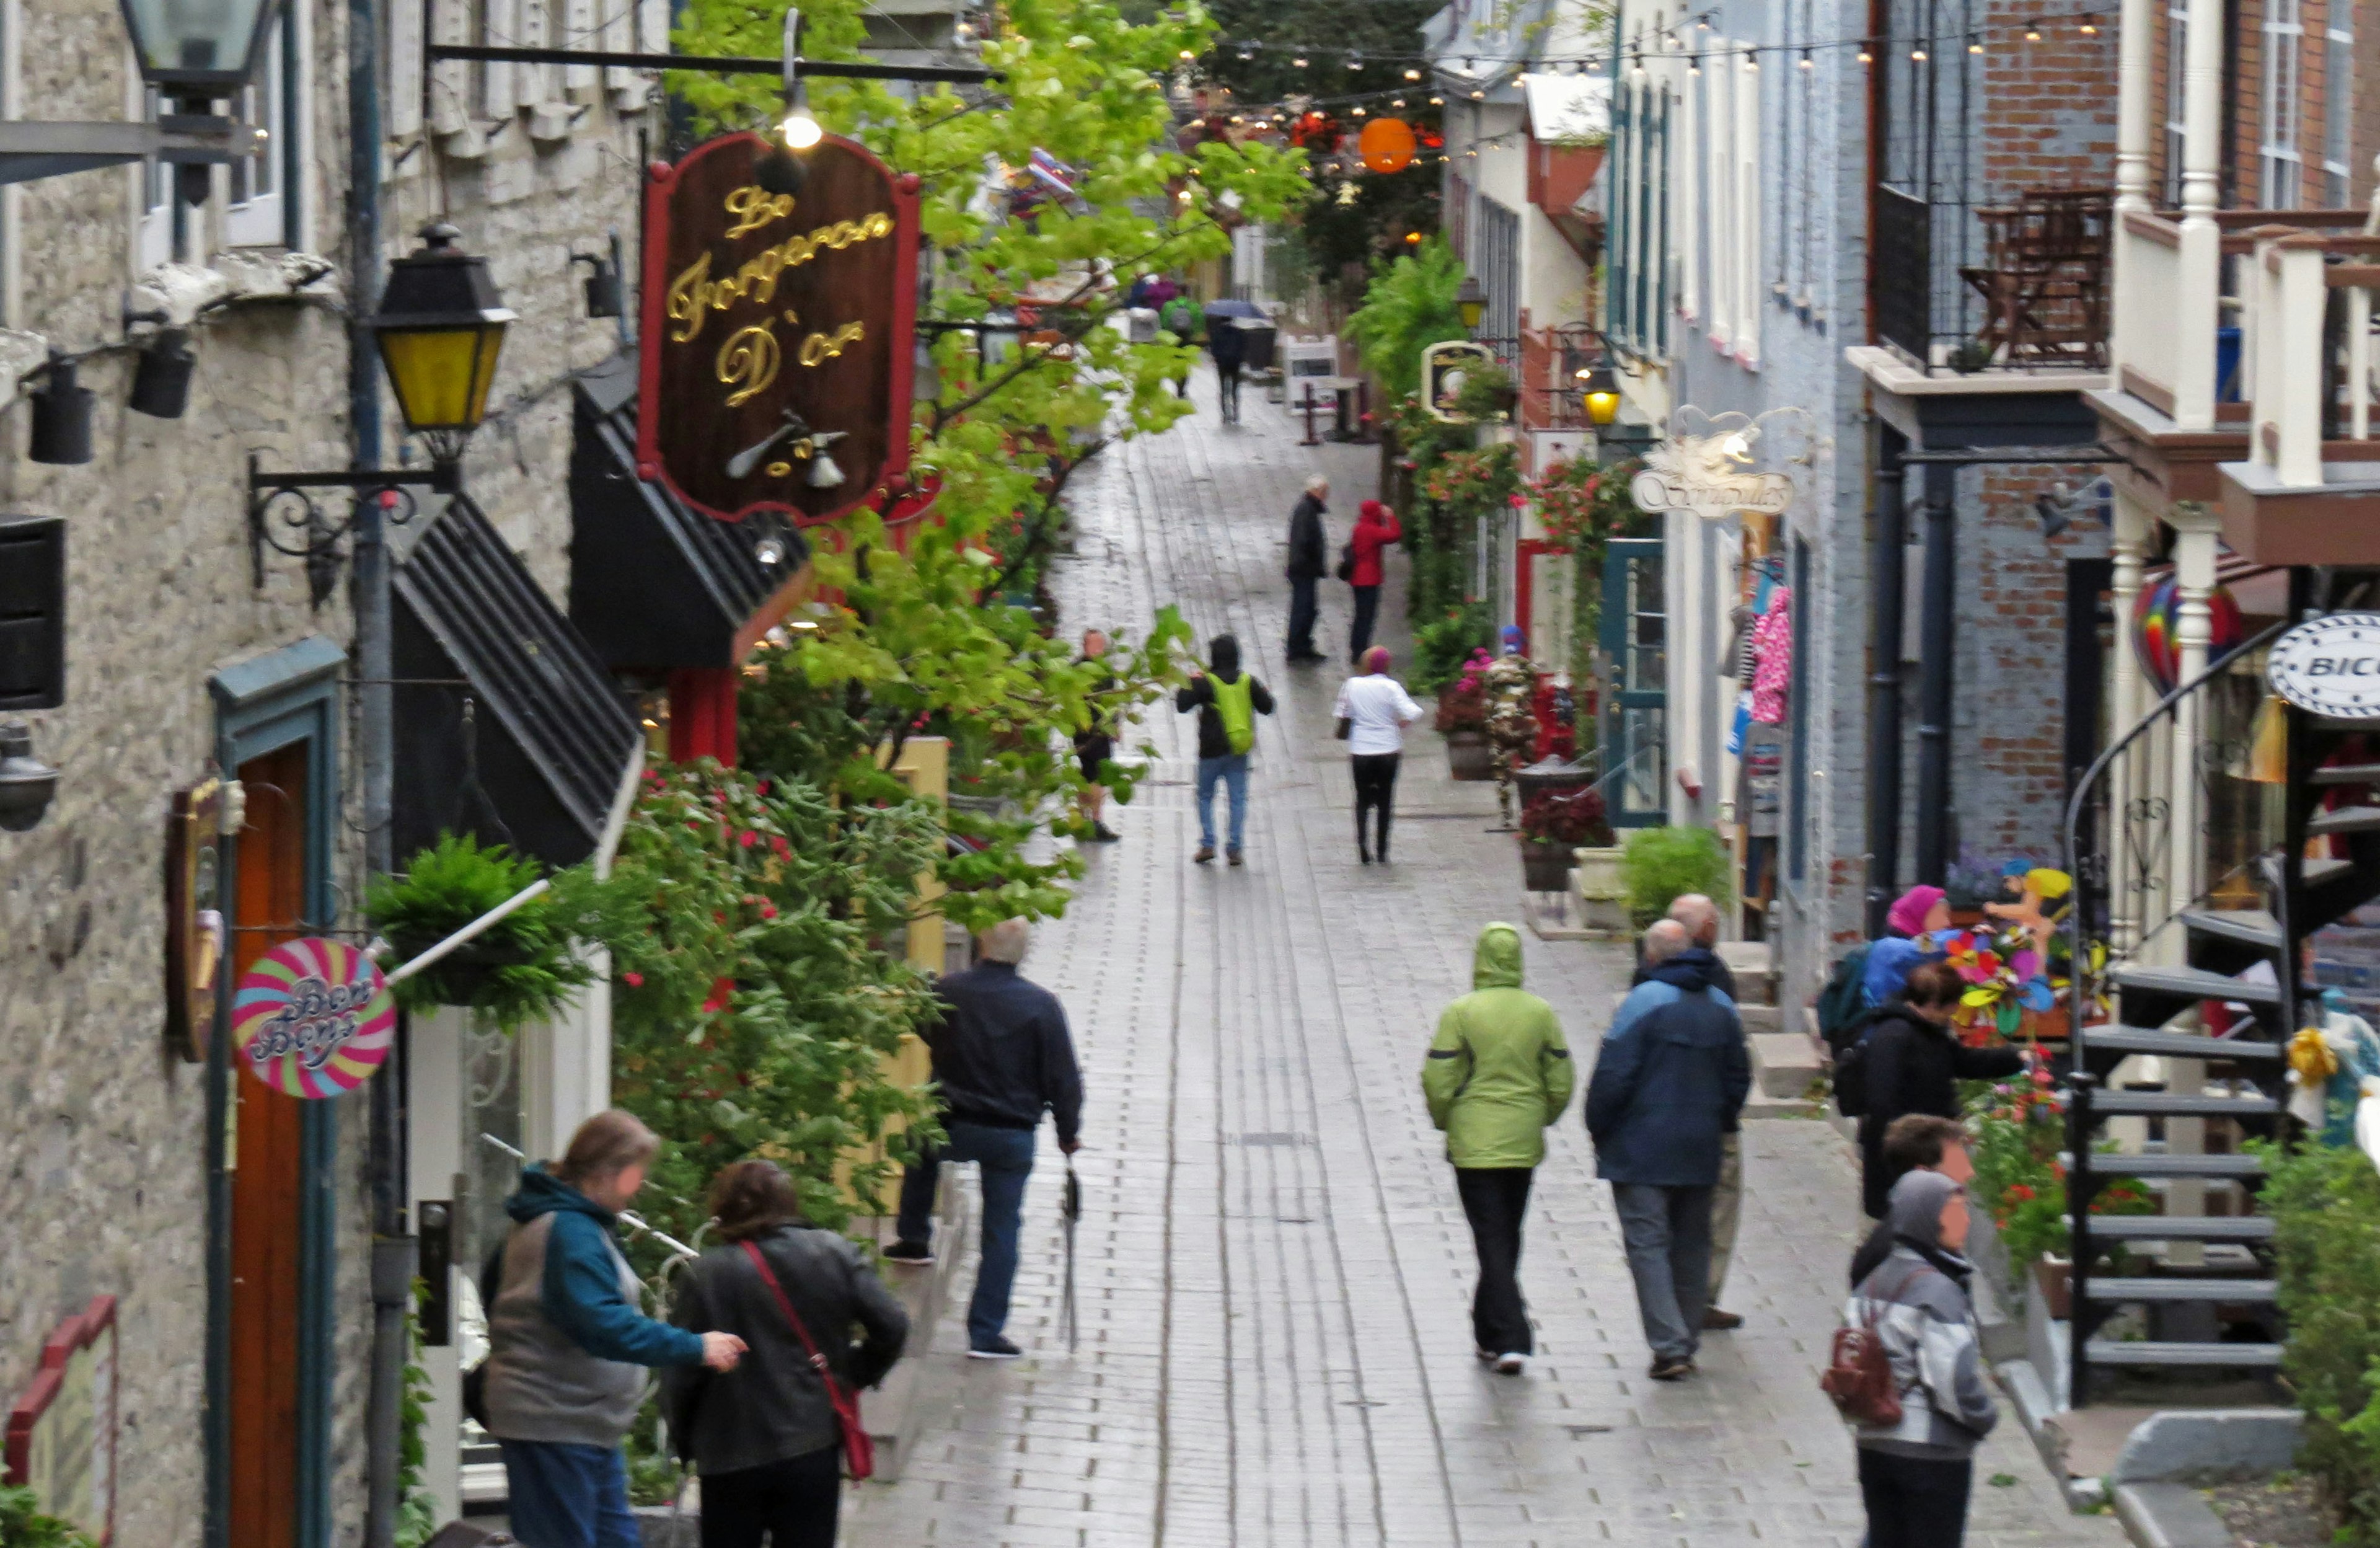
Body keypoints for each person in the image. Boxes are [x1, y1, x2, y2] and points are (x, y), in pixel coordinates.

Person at [481, 1110, 747, 1548]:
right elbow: (603, 1325)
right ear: (606, 1172)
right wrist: (695, 1346)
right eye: (634, 1173)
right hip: (554, 1421)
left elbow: (497, 1293)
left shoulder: (561, 1221)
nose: (638, 1184)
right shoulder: (569, 1229)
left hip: (582, 1421)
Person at [662, 1160, 909, 1548]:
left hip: (730, 1449)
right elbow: (892, 1326)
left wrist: (684, 1438)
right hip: (811, 1443)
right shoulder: (835, 1253)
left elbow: (682, 1370)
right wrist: (850, 1375)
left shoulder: (706, 1275)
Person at [886, 919, 1083, 1357]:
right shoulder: (1042, 1005)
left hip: (949, 1120)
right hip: (1009, 1133)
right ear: (1022, 954)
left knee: (920, 1146)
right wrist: (1068, 1133)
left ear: (980, 945)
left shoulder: (948, 989)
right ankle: (985, 1331)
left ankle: (914, 1236)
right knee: (1002, 1228)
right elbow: (1063, 1077)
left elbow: (922, 1022)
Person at [1585, 920, 1750, 1381]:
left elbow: (1613, 1075)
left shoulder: (1642, 1003)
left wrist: (1599, 1129)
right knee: (1692, 1243)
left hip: (1641, 1148)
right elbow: (1739, 1076)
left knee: (1648, 1244)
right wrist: (1716, 1121)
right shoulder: (1721, 1006)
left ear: (1651, 957)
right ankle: (1687, 1335)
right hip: (1700, 1146)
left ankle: (1670, 1344)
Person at [1422, 922, 1574, 1375]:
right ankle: (1488, 1329)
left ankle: (1512, 1337)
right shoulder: (1541, 1012)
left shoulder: (1460, 1012)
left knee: (1491, 1234)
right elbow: (1561, 1077)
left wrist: (1446, 1118)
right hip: (1523, 1139)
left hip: (1474, 1142)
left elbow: (1438, 1077)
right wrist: (1542, 1114)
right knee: (1507, 1230)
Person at [1849, 1169, 1998, 1548]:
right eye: (1955, 1212)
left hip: (1875, 1443)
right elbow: (1952, 1380)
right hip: (1931, 1452)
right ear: (1927, 1220)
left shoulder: (1871, 1280)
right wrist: (1982, 1418)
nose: (1965, 1221)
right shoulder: (1938, 1290)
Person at [1643, 893, 1744, 1329]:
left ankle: (1673, 1296)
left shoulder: (1644, 983)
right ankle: (1698, 1296)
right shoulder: (1714, 981)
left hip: (1657, 1119)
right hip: (1709, 1118)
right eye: (1715, 919)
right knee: (1714, 1211)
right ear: (1702, 930)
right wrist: (1726, 1110)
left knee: (1666, 1214)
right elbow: (1735, 1061)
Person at [1857, 963, 2024, 1219]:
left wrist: (2016, 1058)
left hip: (1925, 1155)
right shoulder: (1893, 1036)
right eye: (1951, 1005)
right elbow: (1882, 1105)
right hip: (1900, 1164)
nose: (1955, 1011)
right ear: (1934, 1003)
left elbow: (1964, 1062)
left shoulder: (1930, 1032)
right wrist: (1901, 1164)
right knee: (1896, 1238)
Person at [1175, 633, 1274, 865]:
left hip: (1210, 750)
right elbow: (1268, 708)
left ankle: (1208, 843)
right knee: (1237, 798)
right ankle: (1235, 847)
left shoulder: (1205, 681)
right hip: (1238, 749)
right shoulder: (1248, 680)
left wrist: (1189, 681)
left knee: (1205, 796)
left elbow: (1182, 706)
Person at [1849, 1114, 1973, 1287]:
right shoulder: (1910, 1264)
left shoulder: (1921, 1234)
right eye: (1957, 1161)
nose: (1969, 1172)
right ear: (1923, 1172)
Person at [1333, 647, 1424, 865]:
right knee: (1385, 800)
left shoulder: (1352, 685)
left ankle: (1363, 845)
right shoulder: (1391, 687)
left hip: (1361, 750)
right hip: (1388, 750)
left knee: (1362, 800)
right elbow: (1414, 711)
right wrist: (1402, 722)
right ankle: (1382, 850)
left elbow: (1343, 713)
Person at [1862, 884, 1952, 1007]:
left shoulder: (1905, 943)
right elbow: (1939, 944)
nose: (1947, 923)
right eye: (1942, 915)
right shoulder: (1890, 947)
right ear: (1920, 915)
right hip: (1886, 1023)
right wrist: (1974, 935)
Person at [1073, 628, 1120, 843]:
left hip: (1101, 728)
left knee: (1087, 775)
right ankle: (1095, 821)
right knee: (1096, 775)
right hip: (1088, 729)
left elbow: (1113, 700)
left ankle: (1084, 821)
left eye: (1101, 645)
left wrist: (1116, 725)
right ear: (1085, 646)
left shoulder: (1106, 671)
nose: (1099, 649)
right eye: (1095, 645)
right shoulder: (1076, 670)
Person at [1345, 500, 1403, 664]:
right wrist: (1390, 517)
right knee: (1367, 617)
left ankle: (1356, 649)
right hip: (1370, 579)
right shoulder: (1372, 530)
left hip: (1357, 578)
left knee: (1359, 615)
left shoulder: (1359, 528)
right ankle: (1361, 651)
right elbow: (1395, 535)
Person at [1284, 475, 1330, 663]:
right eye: (1325, 492)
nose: (1326, 496)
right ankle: (1297, 647)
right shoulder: (1306, 510)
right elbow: (1305, 540)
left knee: (1308, 609)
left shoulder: (1308, 508)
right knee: (1303, 609)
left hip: (1304, 568)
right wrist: (1313, 559)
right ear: (1316, 491)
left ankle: (1302, 645)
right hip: (1303, 569)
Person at [1160, 290, 1201, 400]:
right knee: (1185, 364)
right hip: (1187, 339)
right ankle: (1182, 390)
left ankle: (1177, 386)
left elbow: (1164, 323)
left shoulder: (1169, 306)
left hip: (1174, 339)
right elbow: (1199, 324)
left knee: (1175, 363)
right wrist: (1193, 334)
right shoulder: (1194, 307)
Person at [1207, 311, 1248, 423]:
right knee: (1235, 388)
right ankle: (1236, 412)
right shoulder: (1239, 332)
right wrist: (1241, 359)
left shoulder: (1216, 332)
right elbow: (1243, 347)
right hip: (1235, 363)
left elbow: (1213, 348)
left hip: (1222, 363)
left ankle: (1225, 413)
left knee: (1223, 389)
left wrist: (1216, 358)